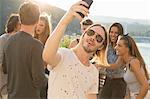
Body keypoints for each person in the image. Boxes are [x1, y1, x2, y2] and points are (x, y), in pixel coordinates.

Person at [43, 1, 107, 99]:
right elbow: (47, 56)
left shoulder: (93, 72)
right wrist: (66, 19)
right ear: (83, 34)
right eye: (90, 33)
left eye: (98, 38)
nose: (93, 38)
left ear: (101, 46)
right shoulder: (64, 54)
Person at [2, 2, 48, 99]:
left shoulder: (9, 41)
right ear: (37, 19)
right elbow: (39, 81)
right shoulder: (36, 45)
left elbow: (5, 69)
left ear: (19, 19)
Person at [99, 34, 149, 99]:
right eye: (116, 44)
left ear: (127, 49)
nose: (115, 47)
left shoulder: (134, 62)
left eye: (119, 45)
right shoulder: (125, 61)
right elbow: (115, 66)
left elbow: (145, 86)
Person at [100, 22, 127, 99]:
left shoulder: (122, 47)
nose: (113, 34)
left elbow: (116, 65)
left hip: (119, 82)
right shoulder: (107, 46)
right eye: (111, 32)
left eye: (116, 33)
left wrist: (100, 65)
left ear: (120, 34)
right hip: (108, 80)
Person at [0, 13, 20, 99]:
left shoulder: (18, 41)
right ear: (15, 25)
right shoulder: (3, 39)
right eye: (20, 23)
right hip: (5, 85)